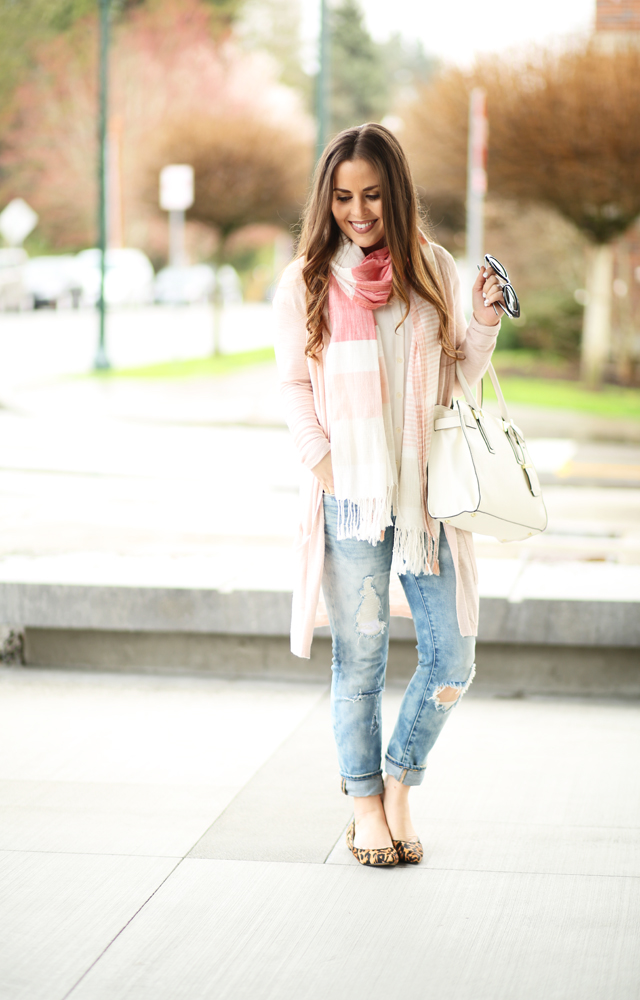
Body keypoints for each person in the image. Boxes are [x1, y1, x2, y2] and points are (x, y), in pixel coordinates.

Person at [273, 123, 504, 867]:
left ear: (396, 194)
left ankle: (401, 781)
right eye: (343, 197)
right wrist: (327, 467)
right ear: (327, 198)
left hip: (425, 502)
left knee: (452, 659)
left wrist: (485, 321)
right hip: (350, 500)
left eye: (372, 194)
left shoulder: (431, 266)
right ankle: (365, 805)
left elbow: (458, 374)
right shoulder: (306, 277)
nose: (358, 211)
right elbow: (294, 386)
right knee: (361, 663)